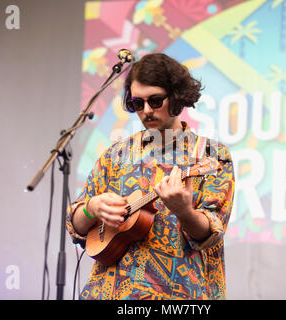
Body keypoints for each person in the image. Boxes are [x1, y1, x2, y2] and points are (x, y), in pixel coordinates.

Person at [66, 53, 235, 300]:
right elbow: (76, 226)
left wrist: (184, 212)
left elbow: (211, 234)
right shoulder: (116, 154)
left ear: (177, 98)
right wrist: (92, 207)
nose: (146, 111)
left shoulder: (211, 155)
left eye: (155, 101)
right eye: (137, 103)